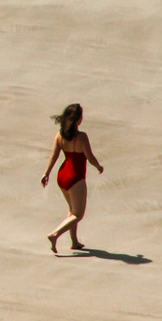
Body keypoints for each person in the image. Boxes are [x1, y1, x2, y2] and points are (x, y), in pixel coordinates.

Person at [41, 103, 103, 253]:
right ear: (78, 120)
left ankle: (74, 242)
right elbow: (90, 157)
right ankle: (55, 234)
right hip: (76, 178)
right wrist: (99, 167)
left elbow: (54, 156)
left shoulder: (59, 135)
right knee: (78, 214)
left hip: (62, 176)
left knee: (72, 210)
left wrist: (46, 173)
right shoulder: (81, 137)